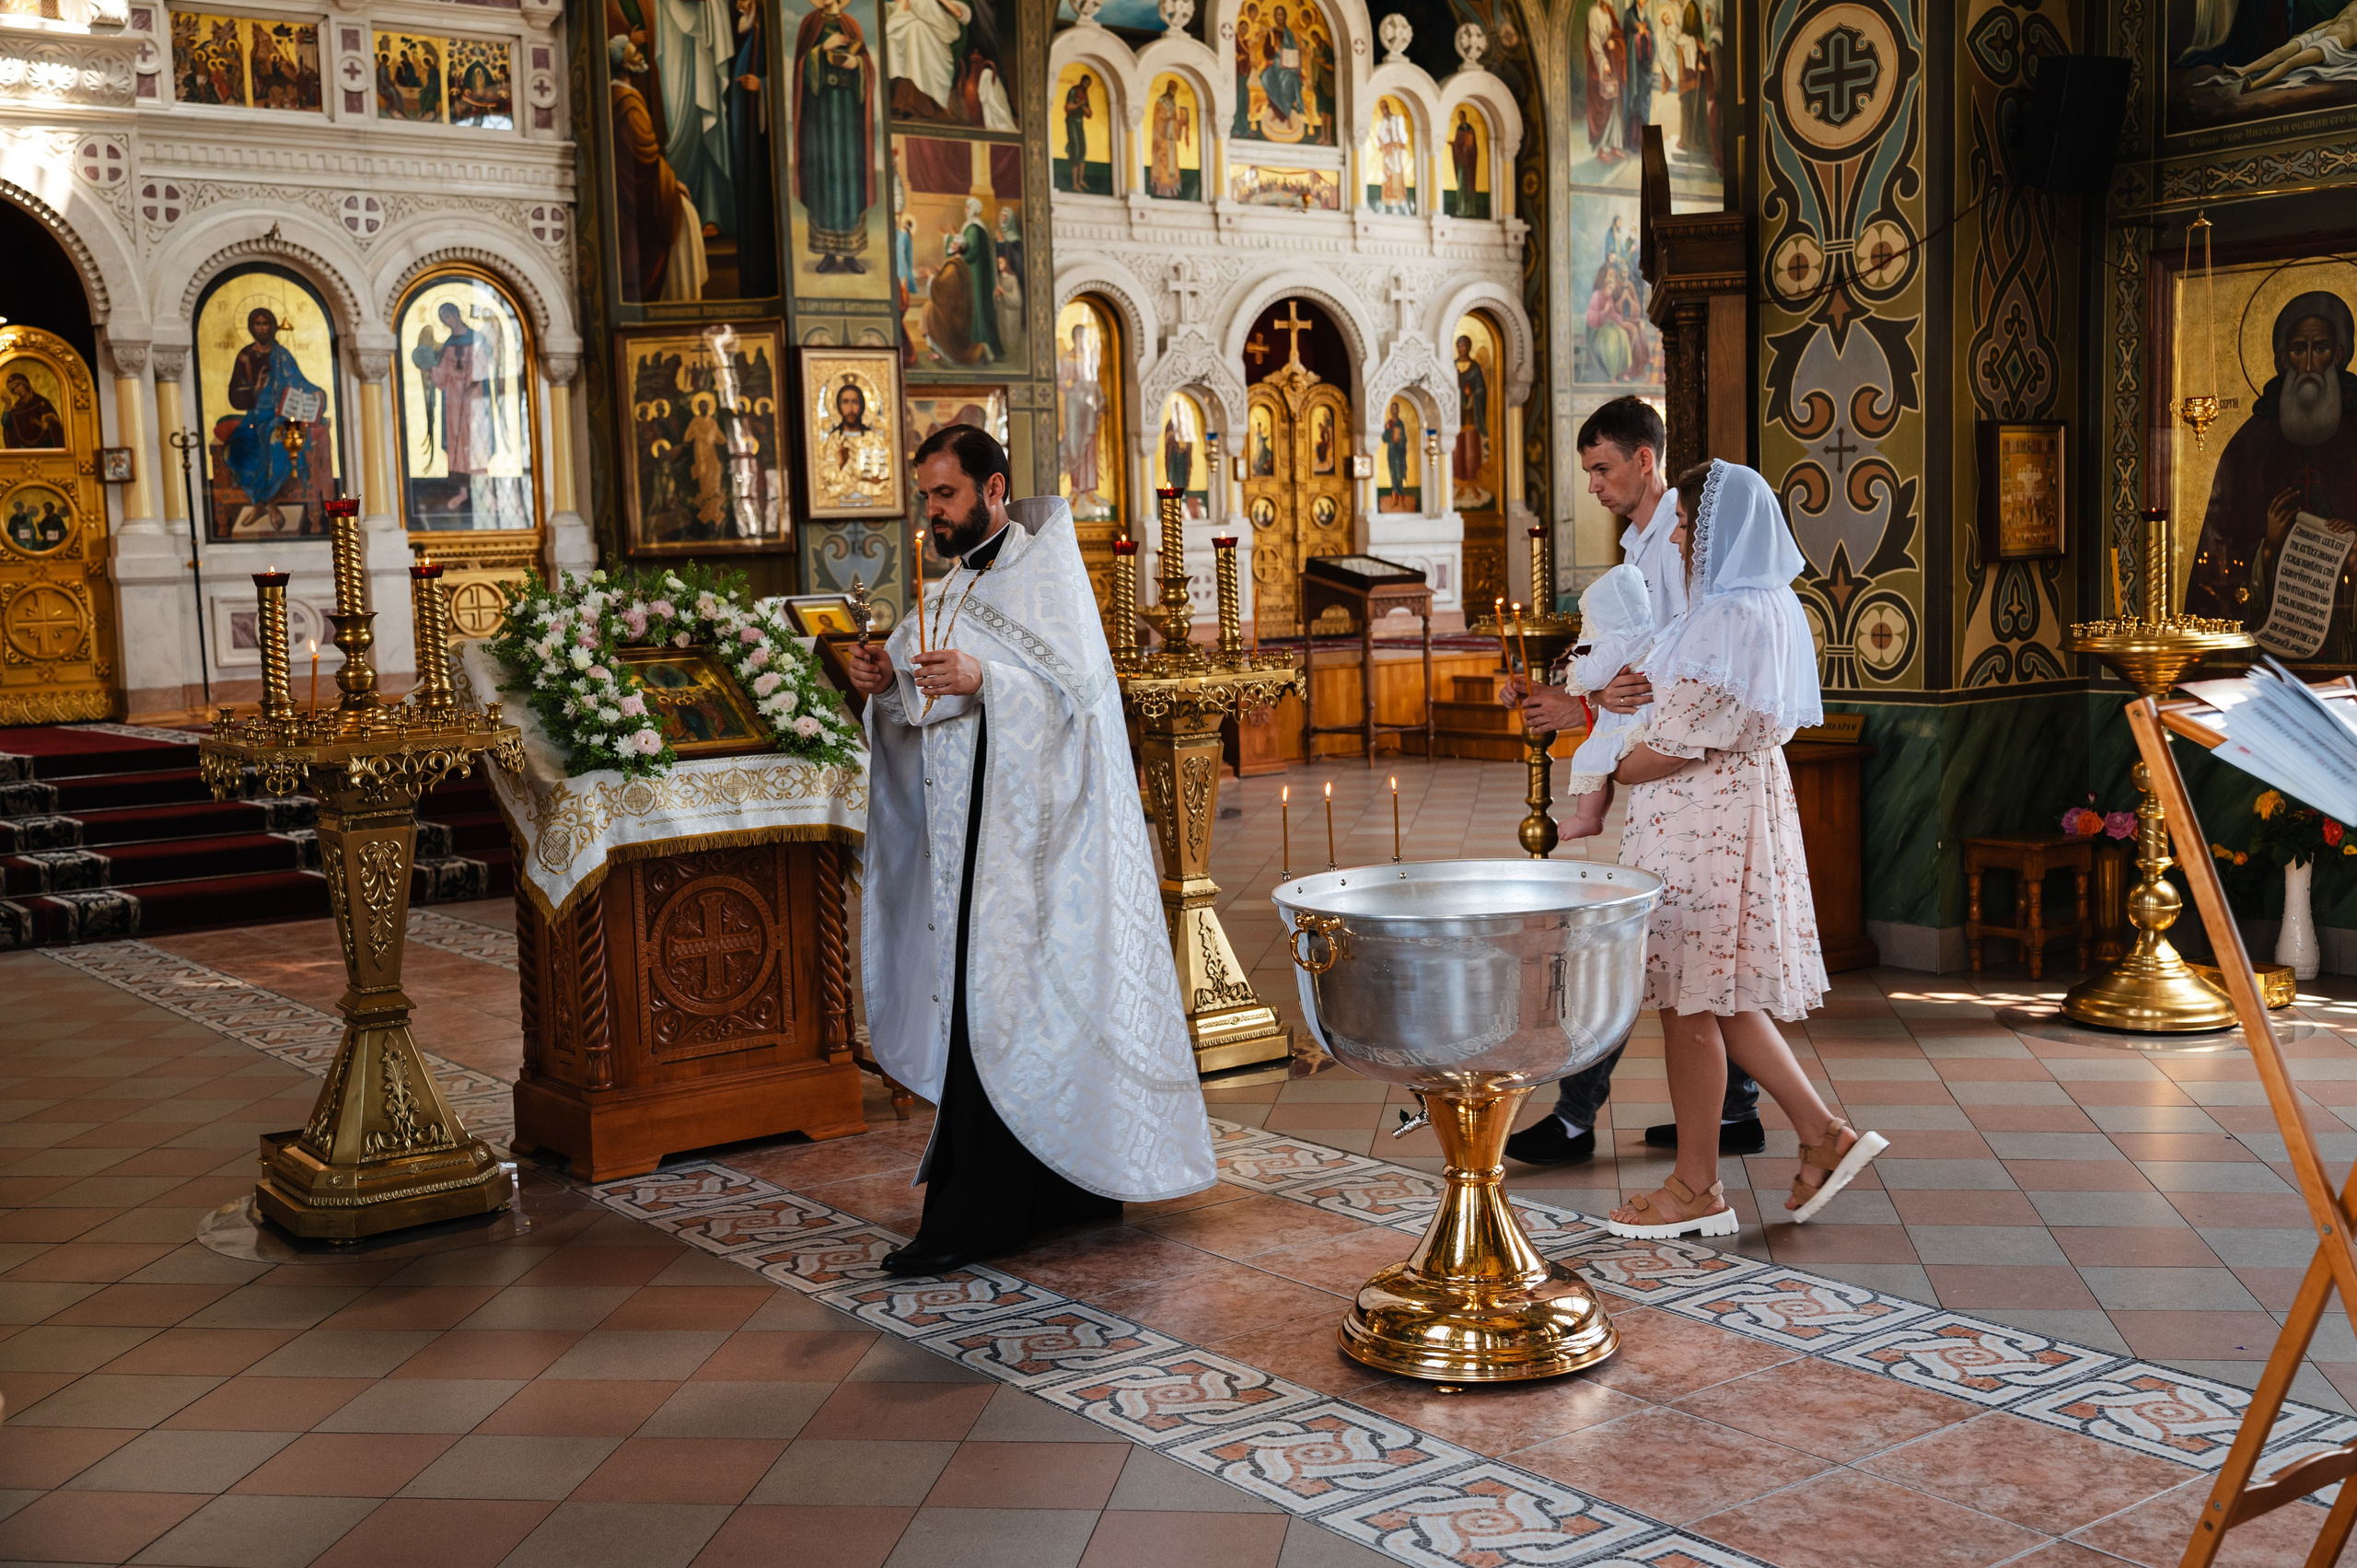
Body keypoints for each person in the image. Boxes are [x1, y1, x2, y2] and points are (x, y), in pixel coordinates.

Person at [842, 425, 1218, 1273]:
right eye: (926, 497)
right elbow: (920, 701)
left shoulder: (1046, 576)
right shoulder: (946, 588)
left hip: (1034, 853)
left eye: (945, 495)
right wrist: (888, 685)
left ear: (994, 488)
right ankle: (1052, 1192)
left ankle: (975, 1215)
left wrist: (987, 682)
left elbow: (1080, 703)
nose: (932, 512)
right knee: (990, 1010)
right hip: (967, 840)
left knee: (1007, 1010)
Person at [1596, 459, 1887, 1237]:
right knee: (1717, 998)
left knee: (1691, 1004)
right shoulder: (1767, 605)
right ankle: (1823, 1133)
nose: (1682, 532)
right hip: (1730, 811)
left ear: (1722, 527)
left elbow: (1684, 737)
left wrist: (1616, 762)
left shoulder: (1727, 616)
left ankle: (1697, 1186)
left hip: (1702, 822)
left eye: (1690, 522)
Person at [1504, 398, 1762, 1167]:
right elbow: (1632, 651)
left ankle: (1578, 1115)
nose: (1593, 484)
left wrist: (1585, 701)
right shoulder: (1639, 543)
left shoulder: (1688, 541)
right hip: (1662, 765)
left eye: (1602, 468)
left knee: (1638, 944)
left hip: (1684, 768)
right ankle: (1738, 1109)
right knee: (1684, 951)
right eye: (1588, 470)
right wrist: (1574, 683)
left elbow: (1682, 663)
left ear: (1644, 460)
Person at [2185, 291, 2357, 660]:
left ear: (2339, 355)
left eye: (2321, 348)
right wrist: (2267, 547)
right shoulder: (2251, 444)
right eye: (2299, 350)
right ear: (2282, 359)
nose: (2310, 363)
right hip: (2271, 648)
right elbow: (2218, 558)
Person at [1552, 562, 1656, 842]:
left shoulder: (1615, 641)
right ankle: (1592, 817)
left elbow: (1592, 678)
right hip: (1645, 712)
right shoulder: (1644, 633)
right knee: (1600, 765)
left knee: (1590, 758)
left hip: (1626, 718)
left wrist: (1574, 668)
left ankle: (1588, 818)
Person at [795, 0, 876, 276]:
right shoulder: (810, 24)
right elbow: (800, 67)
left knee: (849, 178)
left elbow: (868, 65)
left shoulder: (851, 25)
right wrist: (821, 51)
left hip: (849, 115)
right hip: (821, 114)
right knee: (825, 176)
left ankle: (851, 253)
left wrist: (858, 63)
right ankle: (828, 253)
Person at [1, 371, 64, 449]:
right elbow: (6, 424)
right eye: (14, 389)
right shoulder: (17, 407)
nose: (17, 390)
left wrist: (42, 424)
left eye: (18, 385)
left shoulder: (40, 402)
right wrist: (8, 405)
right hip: (24, 447)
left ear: (25, 383)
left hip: (45, 445)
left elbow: (53, 424)